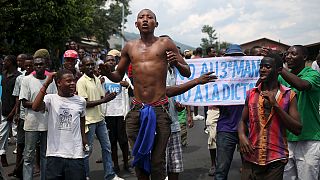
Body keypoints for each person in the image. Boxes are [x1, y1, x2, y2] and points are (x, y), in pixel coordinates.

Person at [99, 9, 191, 180]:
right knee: (139, 159)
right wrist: (107, 72)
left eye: (150, 17)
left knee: (157, 161)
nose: (146, 20)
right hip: (137, 110)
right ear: (136, 24)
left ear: (156, 24)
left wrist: (176, 64)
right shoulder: (129, 47)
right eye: (142, 17)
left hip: (160, 109)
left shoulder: (166, 43)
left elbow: (187, 72)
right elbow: (118, 75)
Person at [238, 53, 302, 180]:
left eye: (267, 66)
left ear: (278, 70)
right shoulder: (251, 93)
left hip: (275, 159)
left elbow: (297, 129)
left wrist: (276, 105)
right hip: (251, 156)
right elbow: (242, 120)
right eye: (261, 66)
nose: (262, 69)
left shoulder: (289, 95)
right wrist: (241, 136)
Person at [32, 69, 87, 180]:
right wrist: (46, 83)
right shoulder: (50, 99)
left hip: (75, 155)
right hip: (54, 155)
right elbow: (35, 107)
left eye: (73, 80)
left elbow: (82, 120)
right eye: (68, 81)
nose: (73, 83)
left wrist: (84, 139)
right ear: (58, 83)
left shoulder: (81, 101)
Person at [76, 56, 122, 180]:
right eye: (87, 65)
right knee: (87, 151)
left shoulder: (97, 79)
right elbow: (84, 103)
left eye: (92, 64)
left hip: (100, 119)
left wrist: (109, 95)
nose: (90, 67)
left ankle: (110, 174)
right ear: (82, 67)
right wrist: (104, 100)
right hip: (89, 120)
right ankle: (85, 175)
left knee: (107, 148)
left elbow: (101, 96)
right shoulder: (81, 82)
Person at [279, 45, 320, 180]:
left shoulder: (312, 74)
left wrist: (279, 69)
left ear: (304, 57)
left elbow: (302, 85)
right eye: (287, 54)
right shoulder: (282, 76)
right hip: (286, 139)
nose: (288, 56)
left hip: (309, 139)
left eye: (293, 54)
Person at [20, 56, 57, 180]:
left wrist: (43, 105)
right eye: (36, 65)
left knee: (45, 155)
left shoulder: (50, 80)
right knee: (29, 156)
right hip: (31, 123)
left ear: (46, 65)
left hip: (47, 124)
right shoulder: (26, 80)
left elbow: (54, 100)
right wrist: (40, 104)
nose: (38, 67)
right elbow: (24, 102)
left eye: (41, 64)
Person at [215, 44, 245, 180]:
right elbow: (212, 102)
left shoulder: (250, 78)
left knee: (251, 168)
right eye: (231, 57)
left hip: (248, 128)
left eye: (237, 57)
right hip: (226, 128)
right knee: (221, 170)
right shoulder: (220, 79)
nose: (234, 59)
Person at [102, 54, 133, 173]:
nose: (110, 62)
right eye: (108, 60)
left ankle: (126, 163)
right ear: (104, 63)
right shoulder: (101, 77)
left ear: (116, 63)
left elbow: (133, 91)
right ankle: (115, 165)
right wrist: (99, 83)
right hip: (107, 114)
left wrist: (128, 85)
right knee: (112, 141)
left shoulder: (122, 75)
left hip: (121, 113)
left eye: (112, 60)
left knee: (124, 141)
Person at [8, 55, 34, 178]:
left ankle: (35, 167)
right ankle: (17, 167)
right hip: (23, 116)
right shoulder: (20, 78)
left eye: (31, 65)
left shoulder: (37, 77)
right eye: (26, 65)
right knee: (20, 143)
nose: (28, 67)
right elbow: (17, 97)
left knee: (35, 146)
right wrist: (17, 113)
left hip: (35, 116)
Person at [0, 55, 21, 167]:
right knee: (2, 135)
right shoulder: (3, 75)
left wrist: (14, 112)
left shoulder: (18, 77)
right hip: (4, 110)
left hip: (15, 112)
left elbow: (19, 97)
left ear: (11, 63)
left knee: (17, 135)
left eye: (6, 61)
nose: (4, 62)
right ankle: (2, 155)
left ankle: (19, 160)